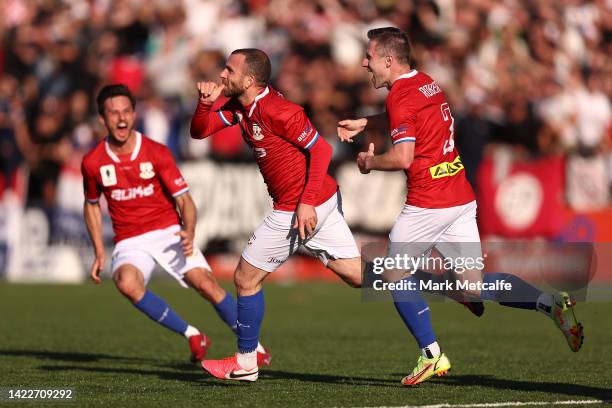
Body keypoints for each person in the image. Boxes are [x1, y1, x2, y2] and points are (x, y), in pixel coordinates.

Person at [337, 27, 584, 386]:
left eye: (369, 56)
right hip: (459, 199)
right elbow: (412, 118)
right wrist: (367, 122)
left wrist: (369, 164)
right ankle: (551, 303)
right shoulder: (427, 83)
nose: (364, 62)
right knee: (475, 288)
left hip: (427, 204)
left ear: (388, 61)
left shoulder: (400, 97)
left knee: (393, 273)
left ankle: (431, 355)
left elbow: (404, 156)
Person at [190, 49, 362, 382]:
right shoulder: (242, 106)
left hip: (299, 204)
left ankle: (246, 362)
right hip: (316, 199)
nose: (222, 74)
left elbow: (321, 149)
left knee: (244, 278)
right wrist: (204, 103)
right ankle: (438, 282)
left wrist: (306, 202)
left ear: (250, 80)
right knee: (357, 275)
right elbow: (200, 131)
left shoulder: (278, 109)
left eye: (229, 70)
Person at [81, 84, 271, 365]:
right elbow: (92, 204)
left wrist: (189, 231)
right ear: (102, 119)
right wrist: (99, 250)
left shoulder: (156, 152)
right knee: (126, 283)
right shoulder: (93, 162)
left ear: (134, 114)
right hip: (130, 239)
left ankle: (254, 347)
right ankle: (193, 334)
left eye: (126, 112)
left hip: (169, 231)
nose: (121, 119)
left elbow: (185, 201)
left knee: (205, 284)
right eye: (113, 113)